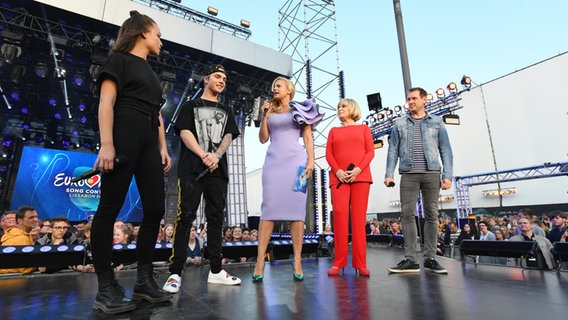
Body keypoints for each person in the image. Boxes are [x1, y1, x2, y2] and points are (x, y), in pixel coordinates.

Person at [89, 11, 173, 314]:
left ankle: (144, 280)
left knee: (155, 209)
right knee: (109, 208)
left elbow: (158, 114)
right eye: (158, 34)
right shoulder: (118, 61)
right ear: (142, 33)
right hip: (124, 133)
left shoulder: (151, 73)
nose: (161, 41)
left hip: (150, 140)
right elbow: (106, 103)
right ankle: (105, 287)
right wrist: (107, 145)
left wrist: (162, 147)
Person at [162, 63, 242, 294]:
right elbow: (185, 132)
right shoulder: (190, 105)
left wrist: (216, 155)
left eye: (224, 79)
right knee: (185, 217)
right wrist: (203, 154)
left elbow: (229, 135)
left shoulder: (226, 110)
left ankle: (216, 270)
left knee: (216, 218)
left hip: (218, 169)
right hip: (192, 169)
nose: (222, 81)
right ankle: (175, 272)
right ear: (206, 79)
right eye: (217, 76)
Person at [252, 76, 323, 282]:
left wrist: (311, 161)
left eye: (278, 85)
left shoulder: (300, 110)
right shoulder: (271, 111)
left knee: (296, 213)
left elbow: (308, 138)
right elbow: (263, 138)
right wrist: (264, 115)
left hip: (296, 163)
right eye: (273, 85)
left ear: (289, 90)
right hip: (273, 164)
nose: (274, 88)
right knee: (268, 211)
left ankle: (298, 260)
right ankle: (259, 262)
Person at [385, 87, 453, 274]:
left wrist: (447, 175)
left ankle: (430, 258)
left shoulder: (437, 122)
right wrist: (388, 173)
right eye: (408, 99)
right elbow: (392, 151)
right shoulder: (399, 124)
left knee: (432, 214)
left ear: (424, 100)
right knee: (407, 215)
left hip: (432, 173)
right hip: (408, 174)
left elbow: (445, 150)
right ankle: (411, 259)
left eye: (414, 98)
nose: (410, 101)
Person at [325, 99, 374, 276]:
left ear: (352, 108)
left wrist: (358, 170)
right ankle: (339, 262)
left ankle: (360, 264)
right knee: (339, 216)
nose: (340, 109)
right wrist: (337, 171)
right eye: (338, 107)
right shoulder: (333, 131)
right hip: (338, 178)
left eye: (343, 106)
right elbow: (329, 154)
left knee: (359, 220)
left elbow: (370, 152)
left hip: (360, 177)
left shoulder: (364, 129)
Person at [0, 206, 38, 274]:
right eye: (31, 217)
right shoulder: (21, 238)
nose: (36, 220)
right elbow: (24, 269)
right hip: (12, 281)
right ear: (20, 221)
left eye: (36, 216)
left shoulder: (14, 235)